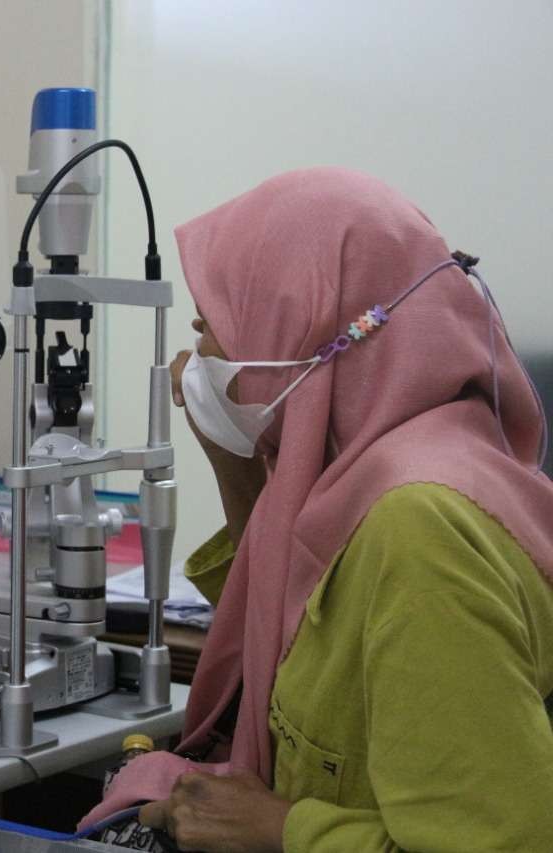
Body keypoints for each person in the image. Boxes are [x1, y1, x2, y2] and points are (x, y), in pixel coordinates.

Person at [80, 168, 553, 851]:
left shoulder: (419, 531)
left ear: (299, 337)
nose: (198, 353)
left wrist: (279, 828)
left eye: (216, 323)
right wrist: (235, 467)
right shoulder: (369, 470)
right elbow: (287, 639)